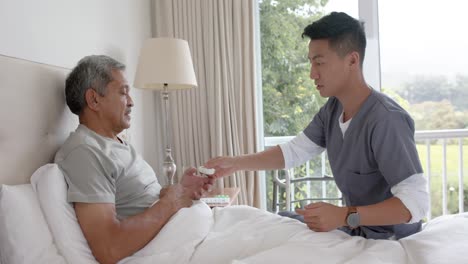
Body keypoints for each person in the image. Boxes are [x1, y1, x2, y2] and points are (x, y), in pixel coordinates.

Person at [205, 12, 428, 240]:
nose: (312, 74)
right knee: (281, 220)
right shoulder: (333, 109)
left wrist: (344, 215)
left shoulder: (386, 119)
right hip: (355, 229)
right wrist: (235, 163)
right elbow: (294, 152)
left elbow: (416, 203)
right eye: (311, 63)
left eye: (319, 63)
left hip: (388, 238)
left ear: (352, 60)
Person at [55, 55, 212, 264]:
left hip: (182, 227)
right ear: (93, 100)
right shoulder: (85, 153)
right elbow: (109, 248)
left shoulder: (117, 142)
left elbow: (144, 201)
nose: (131, 102)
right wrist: (171, 202)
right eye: (123, 93)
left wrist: (182, 190)